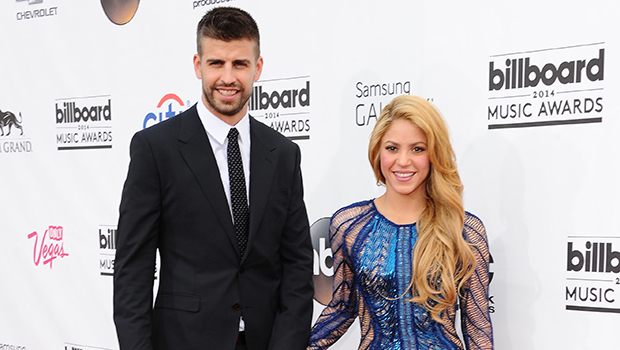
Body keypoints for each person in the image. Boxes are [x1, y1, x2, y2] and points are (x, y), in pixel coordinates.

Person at [113, 7, 314, 350]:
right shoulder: (156, 149)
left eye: (240, 64)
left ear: (258, 68)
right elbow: (133, 270)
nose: (228, 77)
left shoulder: (282, 153)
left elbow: (297, 263)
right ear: (197, 65)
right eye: (216, 63)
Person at [308, 95, 493, 350]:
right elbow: (341, 308)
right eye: (392, 148)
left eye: (417, 148)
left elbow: (477, 327)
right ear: (378, 151)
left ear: (434, 154)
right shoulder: (350, 226)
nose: (403, 161)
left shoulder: (464, 230)